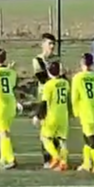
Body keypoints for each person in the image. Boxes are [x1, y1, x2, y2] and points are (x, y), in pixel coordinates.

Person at [71, 53, 94, 172]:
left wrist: (75, 111)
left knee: (90, 136)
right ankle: (87, 163)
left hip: (84, 110)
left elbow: (74, 97)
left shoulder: (77, 77)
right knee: (86, 135)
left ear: (81, 63)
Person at [35, 61, 70, 171]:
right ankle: (64, 162)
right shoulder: (65, 83)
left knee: (45, 138)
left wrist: (38, 116)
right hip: (63, 115)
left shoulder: (48, 85)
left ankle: (55, 156)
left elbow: (44, 103)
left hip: (52, 115)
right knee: (62, 140)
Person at [32, 33, 58, 167]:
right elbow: (42, 78)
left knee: (56, 130)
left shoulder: (57, 60)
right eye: (49, 44)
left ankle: (56, 157)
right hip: (44, 98)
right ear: (43, 45)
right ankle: (47, 159)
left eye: (53, 44)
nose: (52, 47)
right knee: (45, 130)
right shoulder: (37, 60)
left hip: (56, 99)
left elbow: (62, 77)